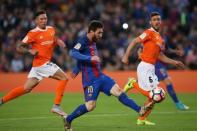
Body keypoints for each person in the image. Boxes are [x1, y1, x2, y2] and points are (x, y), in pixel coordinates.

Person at [63, 20, 154, 131]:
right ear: (91, 31)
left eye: (102, 33)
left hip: (101, 77)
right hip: (90, 80)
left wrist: (78, 68)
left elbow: (82, 55)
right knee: (90, 106)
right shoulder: (83, 41)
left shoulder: (93, 41)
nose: (101, 35)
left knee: (119, 92)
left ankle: (139, 109)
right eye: (99, 33)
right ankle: (68, 119)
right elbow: (73, 52)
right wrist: (88, 60)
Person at [122, 12, 185, 126]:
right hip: (145, 67)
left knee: (154, 97)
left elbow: (160, 56)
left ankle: (141, 120)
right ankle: (132, 84)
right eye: (154, 19)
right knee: (155, 95)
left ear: (161, 22)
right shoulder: (149, 33)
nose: (156, 21)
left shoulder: (160, 39)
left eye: (158, 19)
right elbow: (135, 41)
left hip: (151, 68)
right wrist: (126, 55)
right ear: (150, 22)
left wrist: (174, 62)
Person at [0, 10, 68, 116]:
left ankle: (2, 100)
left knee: (26, 88)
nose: (44, 20)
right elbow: (19, 47)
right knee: (64, 78)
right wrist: (29, 51)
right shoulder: (33, 33)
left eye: (45, 18)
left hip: (37, 66)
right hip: (42, 63)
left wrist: (57, 41)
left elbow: (53, 38)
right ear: (36, 21)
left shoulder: (51, 29)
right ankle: (56, 106)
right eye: (41, 19)